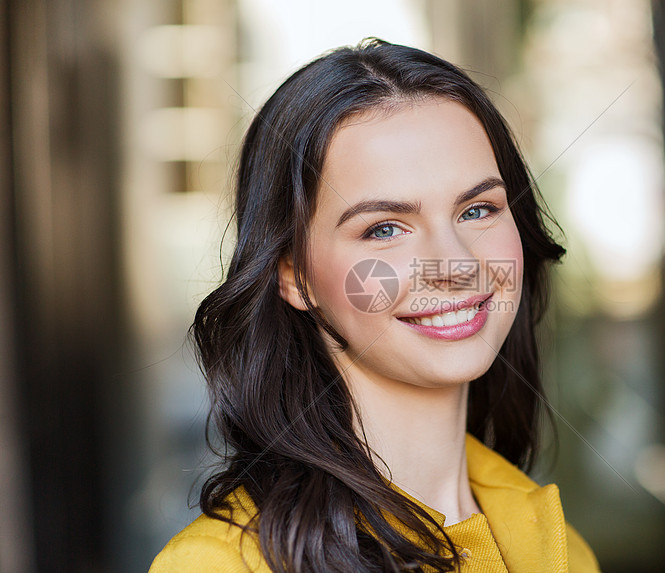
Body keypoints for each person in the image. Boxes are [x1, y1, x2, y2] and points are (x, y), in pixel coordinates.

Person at [149, 38, 599, 573]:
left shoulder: (565, 551)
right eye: (384, 228)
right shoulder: (217, 566)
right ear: (295, 277)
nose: (455, 265)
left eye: (477, 210)